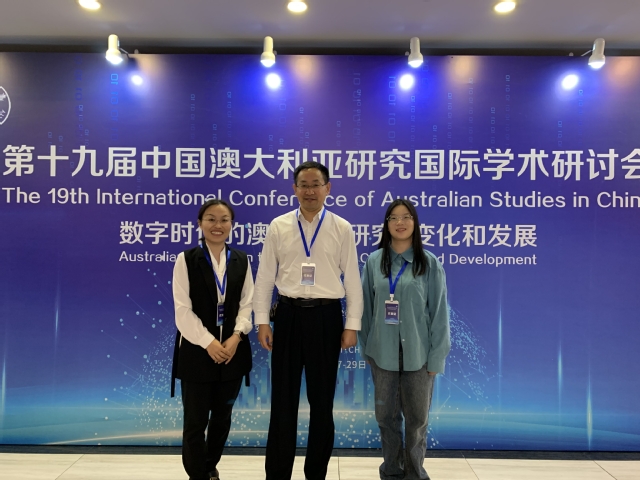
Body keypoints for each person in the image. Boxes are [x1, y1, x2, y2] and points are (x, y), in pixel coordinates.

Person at [254, 161, 364, 480]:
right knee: (283, 401)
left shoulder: (342, 227)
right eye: (304, 185)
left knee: (322, 402)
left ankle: (316, 473)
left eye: (316, 184)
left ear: (328, 188)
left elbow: (352, 279)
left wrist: (352, 324)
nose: (310, 191)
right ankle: (277, 474)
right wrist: (262, 321)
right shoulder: (278, 226)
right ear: (295, 189)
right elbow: (265, 277)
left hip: (326, 318)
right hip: (287, 315)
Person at [358, 199, 450, 480]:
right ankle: (391, 472)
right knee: (386, 418)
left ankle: (415, 473)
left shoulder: (428, 263)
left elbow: (439, 313)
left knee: (417, 420)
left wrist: (436, 357)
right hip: (382, 353)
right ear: (386, 224)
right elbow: (365, 309)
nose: (400, 222)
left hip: (419, 356)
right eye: (394, 217)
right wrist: (367, 349)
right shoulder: (374, 261)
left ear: (415, 223)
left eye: (406, 217)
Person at [170, 199, 254, 480]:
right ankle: (196, 474)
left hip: (232, 352)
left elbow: (248, 304)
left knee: (221, 419)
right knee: (195, 422)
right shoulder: (186, 260)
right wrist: (209, 342)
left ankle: (209, 466)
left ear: (232, 225)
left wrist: (236, 336)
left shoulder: (242, 260)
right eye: (211, 219)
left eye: (224, 220)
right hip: (197, 352)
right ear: (200, 223)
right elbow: (182, 310)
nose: (218, 225)